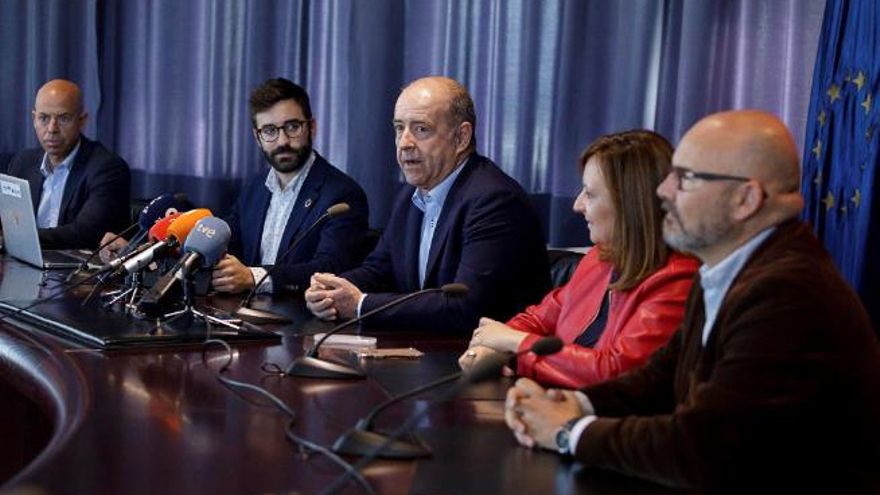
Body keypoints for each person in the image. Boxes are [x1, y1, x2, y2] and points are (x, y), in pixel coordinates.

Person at [503, 110, 880, 490]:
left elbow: (705, 447)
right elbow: (658, 379)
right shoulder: (726, 268)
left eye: (685, 178)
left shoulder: (788, 293)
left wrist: (570, 431)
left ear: (745, 199)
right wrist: (574, 405)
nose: (664, 191)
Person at [304, 76, 549, 332]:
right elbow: (380, 270)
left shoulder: (494, 201)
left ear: (461, 137)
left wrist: (359, 305)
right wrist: (332, 289)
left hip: (485, 362)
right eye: (399, 128)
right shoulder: (412, 196)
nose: (405, 142)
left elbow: (467, 307)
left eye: (421, 129)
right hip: (429, 350)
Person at [459, 131, 698, 388]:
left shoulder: (677, 279)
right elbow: (537, 319)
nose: (577, 205)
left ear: (629, 204)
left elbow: (613, 373)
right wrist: (493, 349)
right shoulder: (599, 259)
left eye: (590, 193)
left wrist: (513, 345)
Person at [101, 78, 369, 294]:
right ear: (257, 136)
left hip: (303, 324)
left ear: (312, 127)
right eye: (270, 131)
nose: (282, 140)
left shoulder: (341, 195)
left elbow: (331, 267)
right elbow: (227, 242)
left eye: (292, 127)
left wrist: (254, 277)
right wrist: (141, 251)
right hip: (248, 318)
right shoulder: (255, 188)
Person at [6, 79, 131, 249]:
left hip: (77, 271)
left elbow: (86, 233)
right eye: (43, 118)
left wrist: (17, 237)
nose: (52, 129)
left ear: (82, 120)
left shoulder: (107, 168)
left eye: (63, 118)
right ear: (34, 119)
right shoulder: (22, 162)